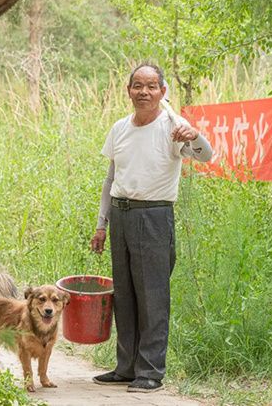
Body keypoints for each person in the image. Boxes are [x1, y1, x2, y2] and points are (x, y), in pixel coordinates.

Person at [90, 63, 212, 393]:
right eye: (137, 86)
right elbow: (110, 179)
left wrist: (195, 136)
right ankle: (126, 367)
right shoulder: (119, 128)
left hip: (154, 217)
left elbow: (206, 156)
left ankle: (151, 372)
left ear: (162, 92)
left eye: (151, 86)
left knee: (152, 296)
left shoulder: (173, 126)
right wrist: (101, 225)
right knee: (125, 295)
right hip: (121, 215)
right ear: (128, 90)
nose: (144, 92)